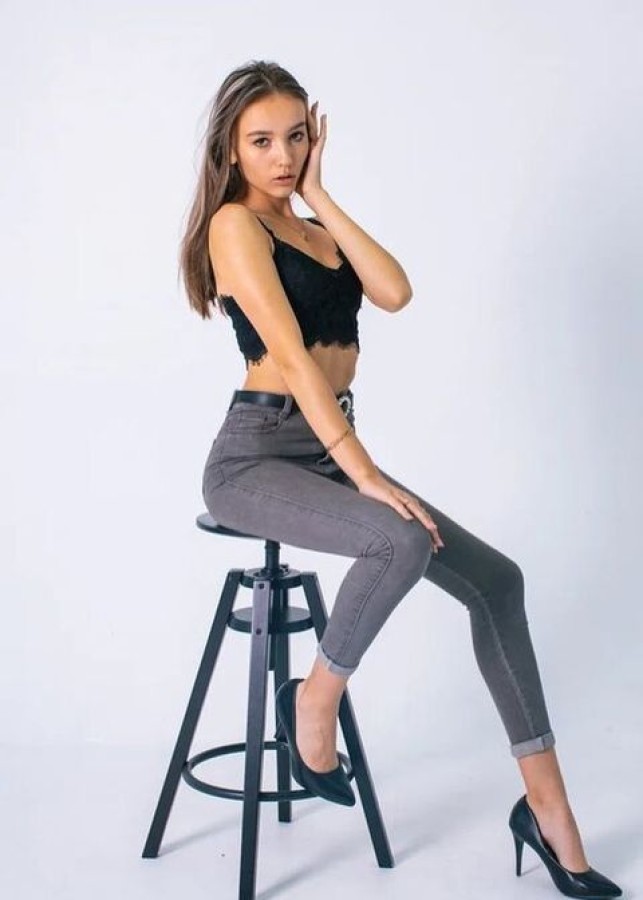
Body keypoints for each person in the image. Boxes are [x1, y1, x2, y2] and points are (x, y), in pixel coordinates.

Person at [179, 60, 622, 898]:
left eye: (295, 137)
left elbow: (393, 290)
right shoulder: (235, 226)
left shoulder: (310, 224)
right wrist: (366, 473)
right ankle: (311, 706)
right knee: (397, 538)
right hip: (255, 458)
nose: (281, 156)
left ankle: (547, 808)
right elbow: (294, 365)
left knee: (497, 581)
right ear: (230, 150)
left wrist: (321, 194)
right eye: (261, 141)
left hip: (326, 446)